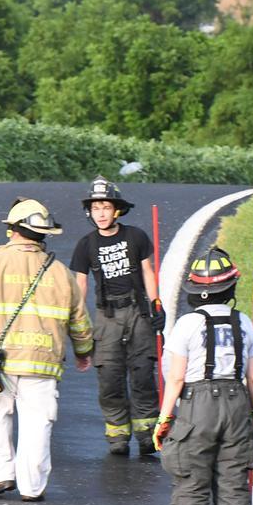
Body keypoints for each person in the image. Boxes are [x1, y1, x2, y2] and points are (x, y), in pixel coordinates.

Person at [0, 198, 92, 501]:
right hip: (41, 363)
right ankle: (32, 488)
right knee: (37, 424)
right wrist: (83, 351)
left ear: (12, 230)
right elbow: (80, 319)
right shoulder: (61, 273)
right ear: (44, 234)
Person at [154, 247, 253, 505]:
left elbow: (174, 378)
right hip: (236, 403)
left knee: (191, 482)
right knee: (233, 485)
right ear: (230, 288)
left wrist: (164, 420)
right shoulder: (244, 322)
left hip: (196, 405)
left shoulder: (187, 325)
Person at [70, 176, 165, 456]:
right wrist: (80, 320)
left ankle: (147, 433)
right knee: (109, 375)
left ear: (117, 210)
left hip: (137, 313)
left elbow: (148, 271)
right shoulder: (85, 245)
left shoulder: (135, 236)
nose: (100, 213)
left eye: (106, 207)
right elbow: (80, 285)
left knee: (142, 373)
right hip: (106, 316)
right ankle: (118, 434)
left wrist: (156, 304)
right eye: (96, 208)